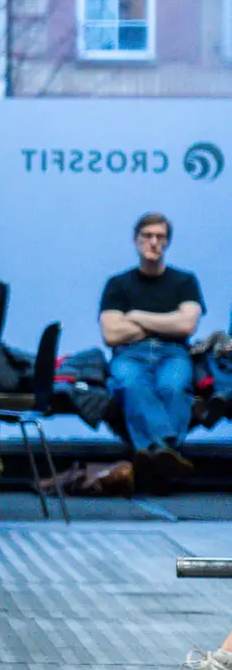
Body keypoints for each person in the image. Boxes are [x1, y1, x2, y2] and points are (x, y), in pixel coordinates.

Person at [99, 210, 202, 490]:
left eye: (160, 237)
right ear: (136, 241)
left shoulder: (184, 282)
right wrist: (165, 322)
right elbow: (111, 333)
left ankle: (153, 453)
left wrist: (135, 316)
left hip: (173, 353)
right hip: (130, 353)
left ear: (167, 242)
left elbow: (187, 325)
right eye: (147, 236)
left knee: (173, 387)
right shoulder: (118, 284)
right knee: (131, 385)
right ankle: (166, 452)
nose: (154, 242)